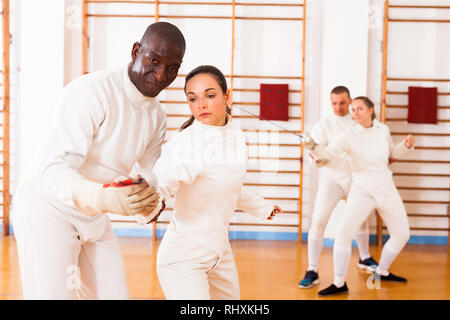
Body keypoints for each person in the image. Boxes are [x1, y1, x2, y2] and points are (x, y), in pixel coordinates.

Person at [12, 22, 186, 299]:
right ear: (136, 51)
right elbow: (52, 170)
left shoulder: (157, 117)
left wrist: (149, 201)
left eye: (173, 67)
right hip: (47, 210)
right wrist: (103, 198)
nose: (161, 74)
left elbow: (148, 174)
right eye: (154, 60)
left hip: (93, 217)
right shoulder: (91, 92)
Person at [150, 65, 282, 300]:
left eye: (210, 95)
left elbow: (227, 186)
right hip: (183, 257)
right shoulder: (186, 143)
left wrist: (262, 207)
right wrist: (150, 199)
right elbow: (162, 181)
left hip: (220, 252)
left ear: (226, 96)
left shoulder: (236, 138)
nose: (201, 105)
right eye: (193, 98)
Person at [303, 96, 415, 296]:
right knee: (343, 236)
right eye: (353, 110)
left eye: (359, 109)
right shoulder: (348, 135)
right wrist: (312, 146)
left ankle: (381, 271)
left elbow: (391, 154)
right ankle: (339, 283)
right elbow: (326, 154)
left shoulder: (382, 130)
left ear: (371, 110)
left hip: (386, 189)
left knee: (402, 234)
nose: (355, 113)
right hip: (362, 191)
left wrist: (405, 146)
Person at [298, 86, 377, 289]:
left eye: (342, 103)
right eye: (334, 103)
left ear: (350, 101)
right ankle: (312, 269)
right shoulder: (323, 126)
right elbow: (315, 157)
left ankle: (365, 257)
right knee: (318, 220)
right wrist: (317, 159)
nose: (338, 107)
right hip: (332, 179)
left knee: (361, 220)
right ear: (330, 102)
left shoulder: (359, 121)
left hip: (356, 180)